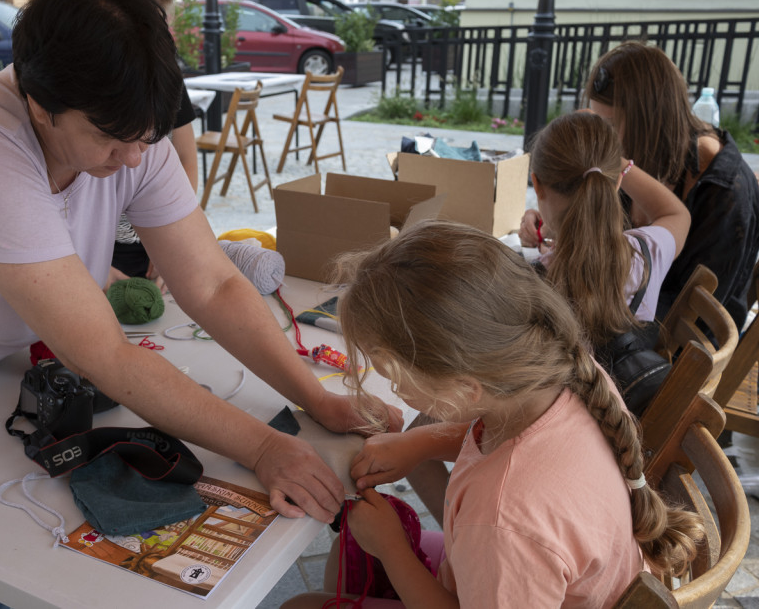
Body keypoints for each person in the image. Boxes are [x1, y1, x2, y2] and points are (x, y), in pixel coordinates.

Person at [0, 0, 398, 608]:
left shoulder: (128, 121)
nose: (132, 159)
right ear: (39, 106)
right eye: (107, 137)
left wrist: (310, 397)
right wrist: (265, 447)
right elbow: (103, 354)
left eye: (146, 136)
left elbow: (211, 282)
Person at [283, 221, 704, 609]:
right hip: (528, 574)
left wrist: (392, 550)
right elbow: (518, 439)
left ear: (465, 389)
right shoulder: (569, 372)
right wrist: (416, 443)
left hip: (497, 573)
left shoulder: (503, 521)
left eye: (392, 373)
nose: (390, 385)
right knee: (350, 550)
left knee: (298, 606)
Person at [578, 41, 759, 331]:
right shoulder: (646, 157)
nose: (605, 140)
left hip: (680, 347)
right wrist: (557, 220)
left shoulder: (722, 190)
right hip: (628, 315)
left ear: (648, 121)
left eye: (611, 126)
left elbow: (693, 317)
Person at [79, 0, 199, 292]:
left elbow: (183, 156)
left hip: (141, 246)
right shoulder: (71, 76)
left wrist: (172, 240)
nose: (134, 156)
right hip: (79, 252)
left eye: (157, 22)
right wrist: (83, 265)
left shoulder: (160, 70)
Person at [518, 110, 691, 345]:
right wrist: (610, 160)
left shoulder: (530, 284)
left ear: (536, 184)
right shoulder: (646, 254)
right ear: (618, 180)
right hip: (628, 381)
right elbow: (675, 213)